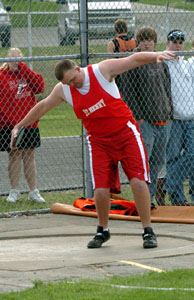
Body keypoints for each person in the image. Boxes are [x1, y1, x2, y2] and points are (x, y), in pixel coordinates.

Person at [10, 50, 175, 249]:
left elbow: (132, 60)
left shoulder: (101, 71)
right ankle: (102, 230)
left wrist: (155, 55)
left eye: (73, 79)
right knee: (100, 189)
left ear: (78, 69)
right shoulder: (64, 90)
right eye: (68, 83)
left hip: (125, 134)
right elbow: (43, 106)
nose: (73, 84)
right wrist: (19, 125)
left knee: (138, 182)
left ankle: (147, 230)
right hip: (99, 141)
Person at [120, 26, 173, 206]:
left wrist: (170, 111)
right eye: (143, 40)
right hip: (146, 122)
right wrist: (139, 117)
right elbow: (128, 93)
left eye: (150, 40)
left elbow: (167, 89)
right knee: (144, 163)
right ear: (138, 42)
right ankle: (141, 200)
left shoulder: (160, 62)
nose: (147, 43)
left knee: (157, 162)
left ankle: (149, 198)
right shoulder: (133, 63)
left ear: (155, 42)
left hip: (163, 120)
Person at [0, 48, 46, 203]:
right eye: (12, 58)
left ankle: (33, 191)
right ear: (7, 59)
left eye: (18, 58)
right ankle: (14, 191)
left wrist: (23, 68)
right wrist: (11, 123)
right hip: (11, 125)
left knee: (29, 156)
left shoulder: (27, 74)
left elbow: (40, 88)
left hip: (29, 124)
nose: (15, 62)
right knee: (14, 156)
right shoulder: (2, 76)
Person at [160, 30, 194, 206]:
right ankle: (177, 198)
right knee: (172, 156)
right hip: (174, 118)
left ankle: (167, 185)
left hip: (191, 117)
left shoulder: (186, 64)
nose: (177, 44)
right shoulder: (163, 63)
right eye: (174, 40)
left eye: (181, 41)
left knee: (192, 154)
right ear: (167, 43)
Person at [107, 19, 136, 90]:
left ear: (115, 31)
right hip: (134, 71)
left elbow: (109, 61)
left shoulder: (113, 43)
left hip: (119, 73)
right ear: (127, 29)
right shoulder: (134, 41)